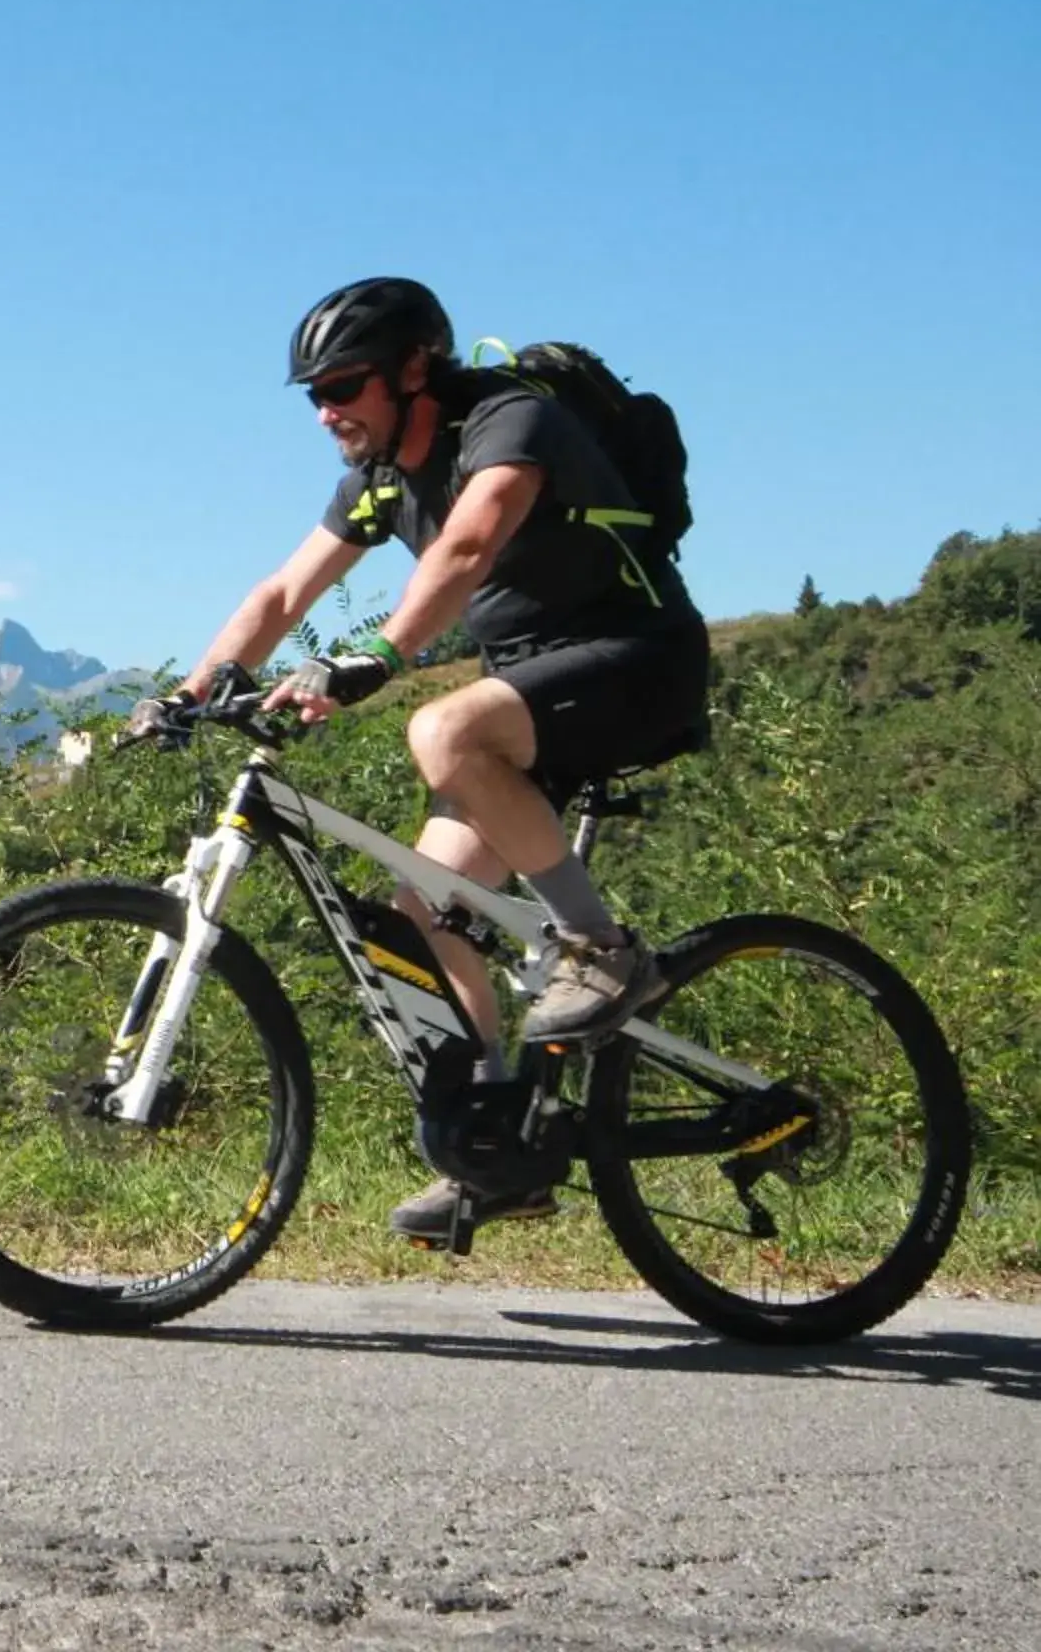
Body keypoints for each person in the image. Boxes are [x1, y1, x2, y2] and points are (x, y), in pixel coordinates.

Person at [133, 276, 711, 1242]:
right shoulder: (378, 481)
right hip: (534, 692)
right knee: (423, 919)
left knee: (442, 729)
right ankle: (498, 1150)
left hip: (635, 663)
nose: (328, 411)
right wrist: (191, 693)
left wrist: (382, 652)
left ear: (414, 369)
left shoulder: (508, 421)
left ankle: (604, 951)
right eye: (314, 394)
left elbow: (471, 543)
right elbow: (282, 593)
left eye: (346, 385)